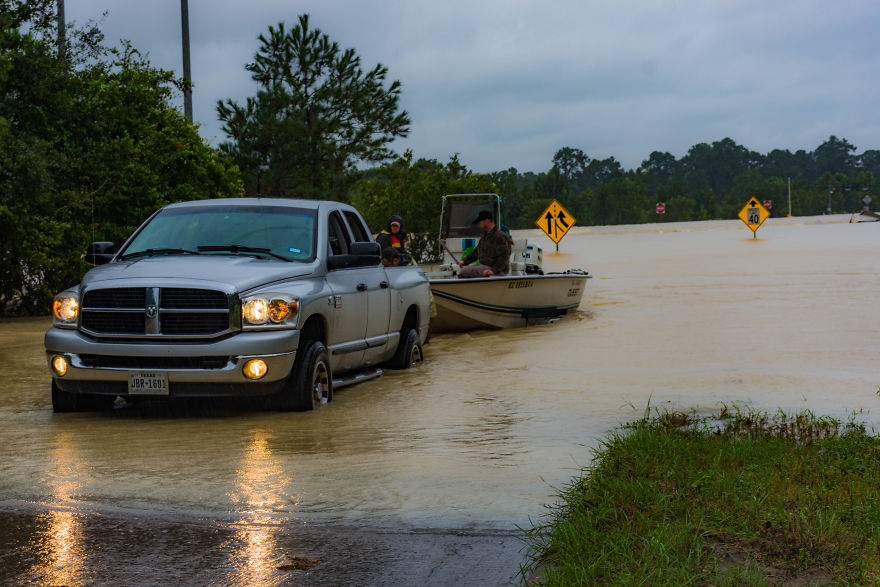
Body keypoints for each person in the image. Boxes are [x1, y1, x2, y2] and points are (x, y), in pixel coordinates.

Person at [457, 210, 511, 278]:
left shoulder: (499, 236)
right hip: (484, 266)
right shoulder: (484, 237)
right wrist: (464, 261)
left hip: (497, 270)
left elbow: (504, 256)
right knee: (462, 271)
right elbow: (476, 252)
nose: (478, 225)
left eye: (479, 222)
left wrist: (493, 270)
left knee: (464, 271)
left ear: (487, 221)